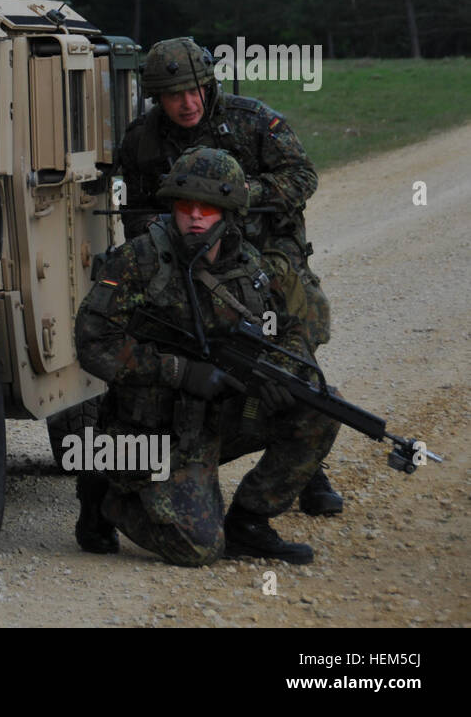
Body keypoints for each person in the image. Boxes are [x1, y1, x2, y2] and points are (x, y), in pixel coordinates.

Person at [73, 147, 339, 565]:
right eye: (186, 206)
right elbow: (92, 341)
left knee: (317, 408)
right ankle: (106, 492)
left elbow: (283, 327)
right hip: (154, 431)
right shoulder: (139, 261)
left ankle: (249, 523)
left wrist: (279, 374)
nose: (195, 216)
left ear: (229, 212)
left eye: (209, 208)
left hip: (215, 416)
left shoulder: (248, 263)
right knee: (198, 549)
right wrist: (178, 371)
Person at [116, 36, 342, 516]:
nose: (187, 102)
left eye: (194, 89)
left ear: (209, 83)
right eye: (174, 94)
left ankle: (305, 463)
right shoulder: (142, 140)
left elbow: (302, 177)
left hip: (265, 249)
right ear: (157, 96)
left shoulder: (251, 119)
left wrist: (233, 194)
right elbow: (134, 211)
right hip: (189, 255)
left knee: (289, 342)